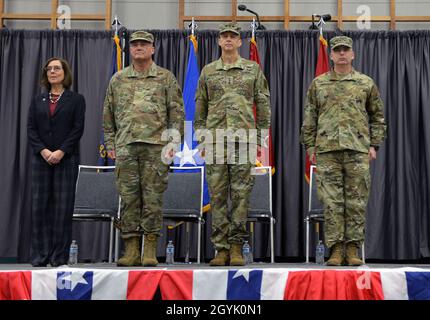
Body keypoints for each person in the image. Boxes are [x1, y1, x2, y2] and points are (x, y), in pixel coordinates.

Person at [301, 36, 387, 266]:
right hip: (327, 150)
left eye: (345, 50)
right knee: (332, 202)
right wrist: (310, 146)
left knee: (357, 201)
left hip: (357, 150)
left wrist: (373, 145)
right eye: (337, 50)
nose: (341, 54)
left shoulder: (365, 83)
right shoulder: (318, 83)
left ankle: (352, 249)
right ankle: (336, 249)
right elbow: (309, 118)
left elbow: (378, 116)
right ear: (331, 55)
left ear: (352, 54)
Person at [103, 31, 184, 267]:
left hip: (156, 148)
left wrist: (173, 144)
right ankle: (130, 249)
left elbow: (176, 114)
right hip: (126, 146)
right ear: (130, 49)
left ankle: (149, 248)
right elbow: (108, 115)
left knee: (152, 199)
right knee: (128, 199)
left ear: (152, 49)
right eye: (135, 44)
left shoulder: (165, 78)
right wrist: (110, 144)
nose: (138, 47)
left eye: (144, 44)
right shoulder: (118, 79)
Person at [194, 22, 271, 266]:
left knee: (241, 196)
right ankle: (221, 249)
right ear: (219, 41)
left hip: (244, 141)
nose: (228, 40)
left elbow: (264, 103)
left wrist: (261, 137)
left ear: (240, 42)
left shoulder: (252, 69)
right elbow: (200, 106)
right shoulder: (208, 71)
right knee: (217, 196)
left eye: (233, 37)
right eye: (224, 36)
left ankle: (237, 247)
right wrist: (201, 137)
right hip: (215, 141)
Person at [27, 57, 86, 267]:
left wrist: (60, 151)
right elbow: (31, 129)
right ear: (46, 74)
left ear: (65, 73)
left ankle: (58, 256)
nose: (53, 72)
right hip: (41, 160)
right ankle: (40, 256)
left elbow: (77, 129)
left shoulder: (76, 99)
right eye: (49, 69)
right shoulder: (37, 100)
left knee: (62, 209)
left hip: (65, 160)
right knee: (39, 207)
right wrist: (44, 151)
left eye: (57, 68)